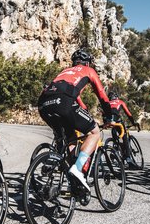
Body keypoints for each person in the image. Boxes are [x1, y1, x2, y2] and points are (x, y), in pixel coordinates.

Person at [37, 49, 112, 190]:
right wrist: (109, 116)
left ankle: (73, 179)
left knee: (70, 139)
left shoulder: (65, 72)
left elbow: (70, 95)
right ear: (88, 62)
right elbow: (102, 95)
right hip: (63, 102)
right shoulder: (88, 70)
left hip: (43, 105)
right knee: (94, 132)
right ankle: (77, 170)